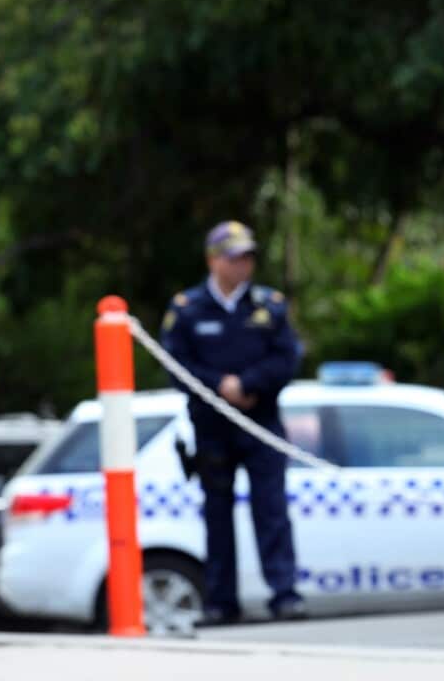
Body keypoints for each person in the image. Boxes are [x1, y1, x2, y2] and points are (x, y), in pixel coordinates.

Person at [160, 221, 306, 625]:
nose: (243, 265)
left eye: (247, 257)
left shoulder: (268, 306)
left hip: (260, 423)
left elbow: (286, 358)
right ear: (213, 260)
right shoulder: (187, 309)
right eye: (234, 257)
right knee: (217, 516)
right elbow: (176, 365)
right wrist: (219, 387)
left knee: (272, 511)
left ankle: (284, 594)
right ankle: (221, 601)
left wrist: (247, 384)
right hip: (212, 427)